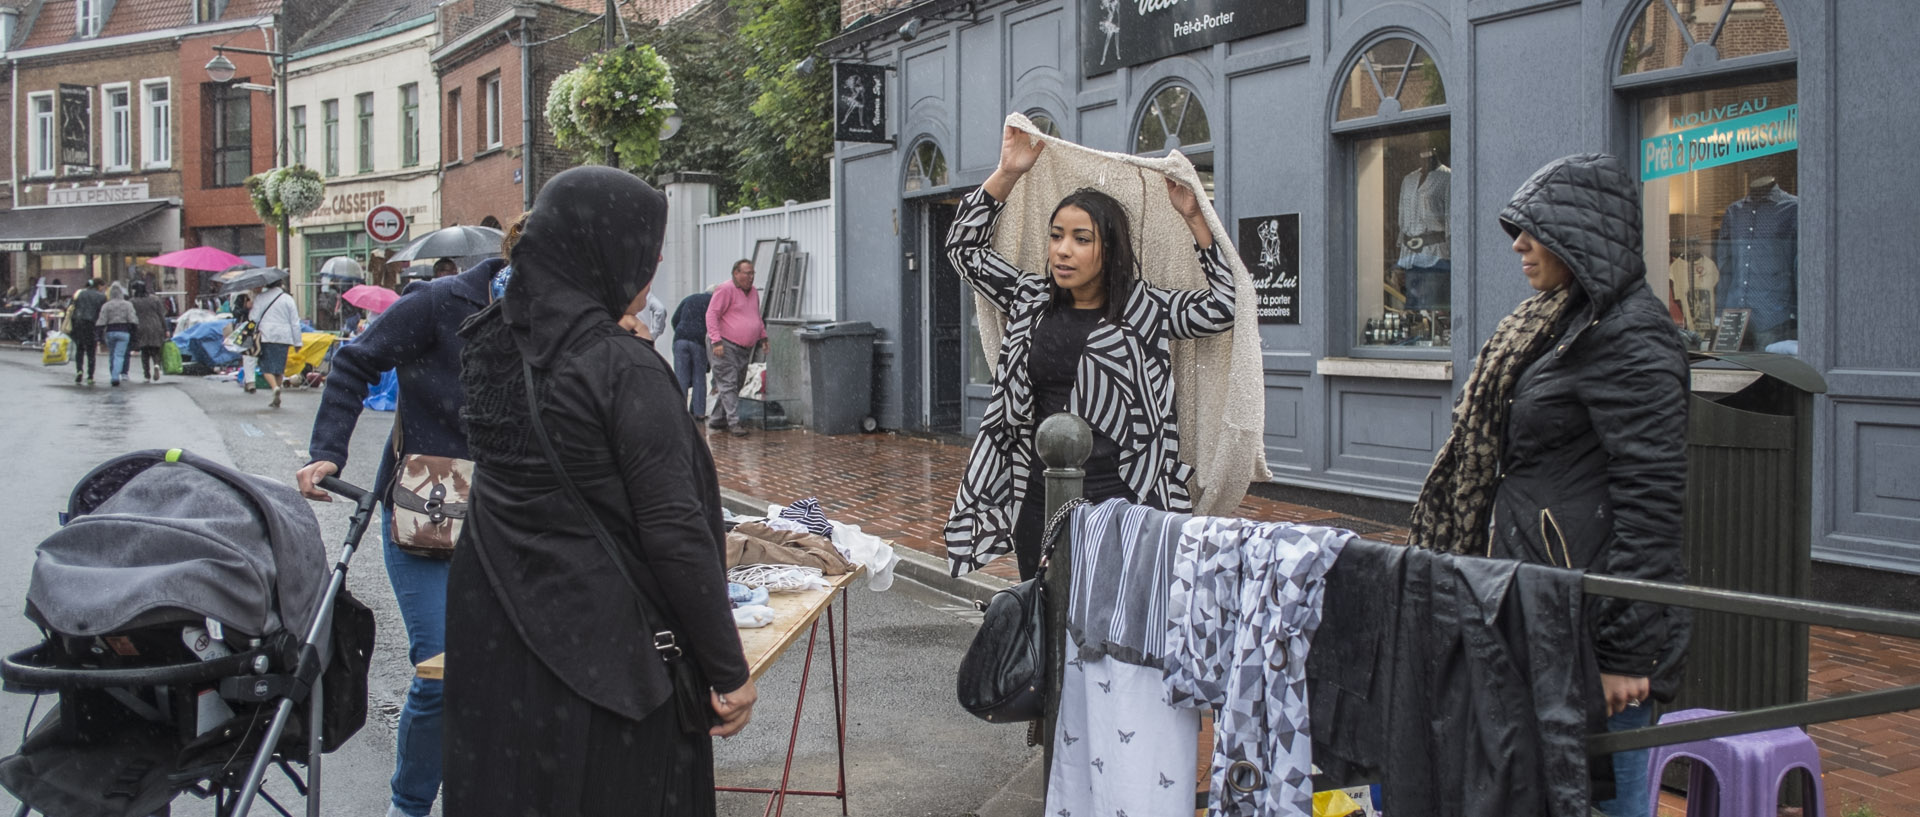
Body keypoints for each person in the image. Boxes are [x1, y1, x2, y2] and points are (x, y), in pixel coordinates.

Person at [444, 165, 755, 815]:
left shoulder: (489, 341)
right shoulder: (622, 368)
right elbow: (675, 530)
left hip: (499, 652)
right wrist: (728, 671)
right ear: (603, 250)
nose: (658, 259)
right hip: (611, 676)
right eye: (647, 244)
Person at [1407, 153, 1690, 817]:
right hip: (1539, 614)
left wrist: (1626, 655)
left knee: (1605, 804)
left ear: (1584, 236)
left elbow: (1652, 511)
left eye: (1536, 229)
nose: (1519, 244)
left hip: (1597, 638)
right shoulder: (1556, 324)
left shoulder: (1632, 338)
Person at [943, 125, 1237, 580]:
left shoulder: (1146, 309)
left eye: (1081, 239)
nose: (1063, 250)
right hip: (1039, 496)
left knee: (1114, 629)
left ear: (1110, 250)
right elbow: (963, 248)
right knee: (1046, 620)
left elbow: (1224, 305)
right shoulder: (1030, 300)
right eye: (1056, 235)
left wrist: (1196, 219)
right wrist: (1007, 172)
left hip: (1125, 500)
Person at [295, 244, 502, 817]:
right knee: (441, 671)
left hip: (512, 520)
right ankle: (408, 807)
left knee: (510, 678)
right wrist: (327, 451)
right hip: (428, 510)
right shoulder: (441, 302)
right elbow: (357, 360)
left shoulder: (563, 317)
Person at [705, 260, 766, 437]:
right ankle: (734, 423)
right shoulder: (725, 289)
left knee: (736, 383)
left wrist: (763, 336)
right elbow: (712, 315)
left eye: (752, 273)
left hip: (744, 348)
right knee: (728, 382)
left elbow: (755, 316)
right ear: (735, 273)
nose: (750, 277)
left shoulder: (754, 292)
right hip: (724, 344)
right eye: (746, 273)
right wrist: (716, 341)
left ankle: (717, 419)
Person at [249, 281, 302, 408]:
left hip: (267, 335)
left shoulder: (261, 297)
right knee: (279, 368)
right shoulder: (288, 299)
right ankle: (277, 390)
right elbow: (295, 321)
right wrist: (297, 341)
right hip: (284, 336)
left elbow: (254, 317)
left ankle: (274, 388)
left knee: (265, 366)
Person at [670, 285, 716, 420]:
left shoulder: (689, 299)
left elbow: (674, 319)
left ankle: (679, 412)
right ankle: (699, 413)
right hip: (699, 341)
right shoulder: (713, 303)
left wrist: (682, 331)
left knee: (681, 377)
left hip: (680, 339)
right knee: (699, 377)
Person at [97, 286, 138, 388]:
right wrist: (134, 333)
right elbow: (132, 319)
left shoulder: (106, 306)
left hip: (110, 331)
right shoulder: (128, 305)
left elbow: (101, 320)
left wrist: (99, 335)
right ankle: (116, 376)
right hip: (124, 332)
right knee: (119, 355)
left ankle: (113, 373)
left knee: (112, 354)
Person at [68, 278, 106, 385]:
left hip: (78, 324)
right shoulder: (101, 297)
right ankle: (90, 376)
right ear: (99, 286)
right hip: (92, 325)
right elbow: (101, 312)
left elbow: (73, 307)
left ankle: (79, 370)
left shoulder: (80, 294)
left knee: (79, 349)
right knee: (91, 351)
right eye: (103, 286)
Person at [130, 281, 169, 381]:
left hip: (141, 327)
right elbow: (161, 315)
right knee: (156, 349)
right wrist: (166, 329)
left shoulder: (133, 301)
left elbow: (132, 316)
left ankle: (146, 374)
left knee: (145, 351)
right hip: (155, 326)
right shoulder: (154, 299)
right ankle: (156, 365)